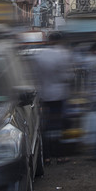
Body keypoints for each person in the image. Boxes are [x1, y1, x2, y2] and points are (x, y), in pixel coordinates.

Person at [30, 32, 74, 164]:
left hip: (44, 95)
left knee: (46, 127)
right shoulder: (63, 54)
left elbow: (35, 76)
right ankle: (60, 156)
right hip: (59, 95)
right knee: (58, 127)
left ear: (49, 41)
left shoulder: (40, 55)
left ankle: (47, 157)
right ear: (59, 41)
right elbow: (67, 77)